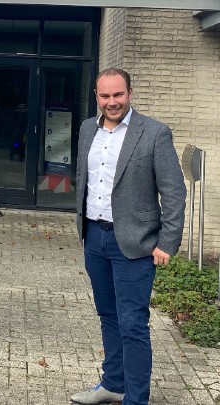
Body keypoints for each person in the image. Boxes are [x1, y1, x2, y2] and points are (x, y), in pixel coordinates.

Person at [71, 68, 186, 405]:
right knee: (107, 315)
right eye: (105, 96)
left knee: (133, 324)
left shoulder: (154, 133)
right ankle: (113, 384)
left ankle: (136, 399)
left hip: (135, 243)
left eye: (118, 94)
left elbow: (174, 192)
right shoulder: (87, 129)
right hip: (94, 237)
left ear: (130, 94)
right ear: (96, 96)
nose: (112, 102)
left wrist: (167, 242)